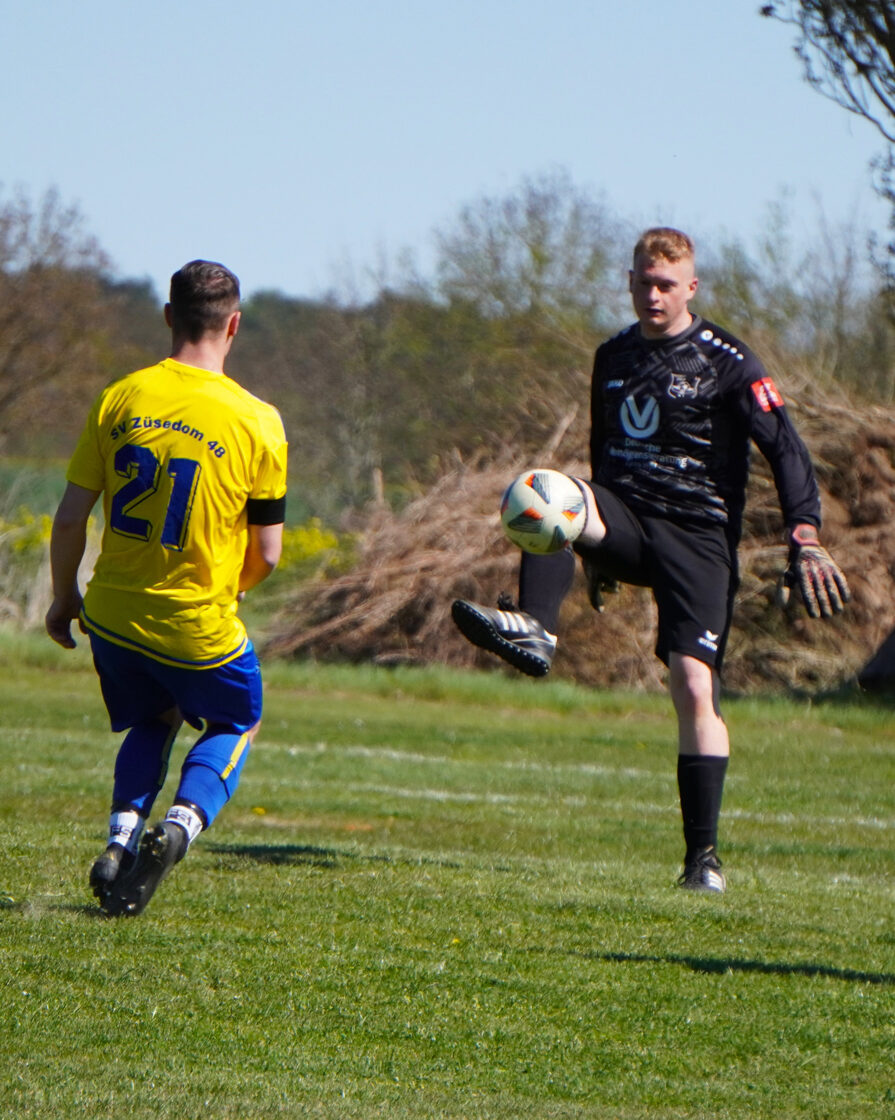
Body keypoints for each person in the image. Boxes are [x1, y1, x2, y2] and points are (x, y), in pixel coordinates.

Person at [452, 227, 849, 894]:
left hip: (699, 538)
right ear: (629, 281)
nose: (652, 294)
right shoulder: (612, 356)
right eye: (643, 282)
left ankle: (703, 859)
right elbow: (602, 451)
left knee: (692, 687)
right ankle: (537, 628)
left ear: (691, 287)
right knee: (544, 492)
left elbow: (784, 447)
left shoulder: (729, 361)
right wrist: (593, 550)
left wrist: (803, 534)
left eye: (665, 284)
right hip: (628, 518)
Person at [46, 260, 288, 917]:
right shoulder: (258, 420)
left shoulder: (120, 397)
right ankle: (180, 823)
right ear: (233, 326)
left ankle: (120, 838)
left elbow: (69, 518)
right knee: (237, 718)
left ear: (167, 317)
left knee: (156, 716)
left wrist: (65, 598)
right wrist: (233, 588)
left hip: (112, 615)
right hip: (196, 622)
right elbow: (268, 552)